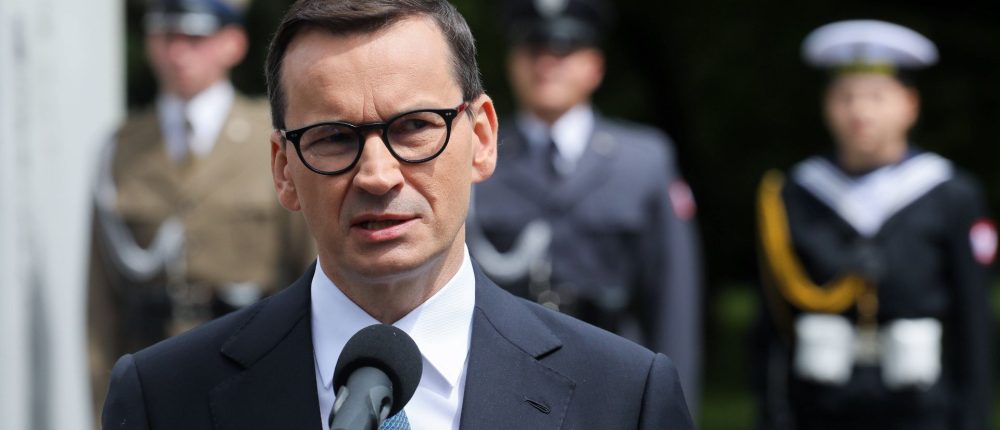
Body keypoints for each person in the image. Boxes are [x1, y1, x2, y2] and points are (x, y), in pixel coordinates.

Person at [101, 1, 694, 429]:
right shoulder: (164, 398)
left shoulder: (623, 398)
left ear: (482, 139)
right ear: (283, 169)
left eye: (413, 128)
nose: (377, 175)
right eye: (333, 137)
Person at [754, 19, 994, 430]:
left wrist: (971, 418)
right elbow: (772, 323)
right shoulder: (796, 193)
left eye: (877, 97)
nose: (860, 112)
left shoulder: (950, 193)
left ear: (909, 105)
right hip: (818, 407)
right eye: (845, 97)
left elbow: (974, 323)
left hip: (921, 409)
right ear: (826, 104)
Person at [466, 0, 703, 405]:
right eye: (533, 50)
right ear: (512, 63)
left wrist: (672, 408)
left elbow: (673, 300)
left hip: (616, 382)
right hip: (506, 381)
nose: (547, 63)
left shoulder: (644, 162)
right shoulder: (477, 158)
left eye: (564, 51)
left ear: (595, 66)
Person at [88, 0, 314, 414]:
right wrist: (105, 404)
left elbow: (310, 265)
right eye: (165, 36)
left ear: (234, 43)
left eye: (195, 38)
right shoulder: (122, 149)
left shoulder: (274, 141)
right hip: (152, 378)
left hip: (254, 371)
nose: (178, 52)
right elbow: (102, 299)